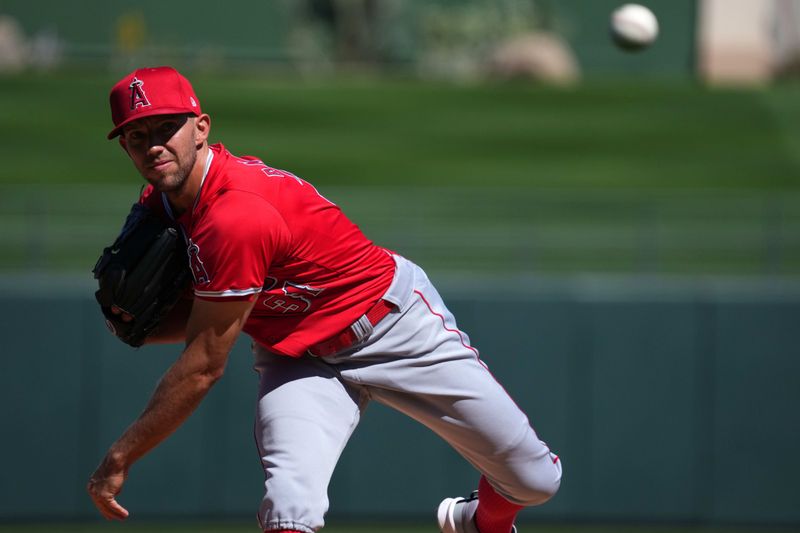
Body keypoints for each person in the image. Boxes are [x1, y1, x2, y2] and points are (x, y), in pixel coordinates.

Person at [87, 65, 562, 533]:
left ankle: (480, 524)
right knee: (290, 510)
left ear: (201, 128)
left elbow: (204, 364)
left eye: (167, 127)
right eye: (136, 135)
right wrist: (139, 327)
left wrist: (120, 456)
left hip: (394, 328)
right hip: (297, 358)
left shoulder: (237, 215)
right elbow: (203, 324)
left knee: (535, 479)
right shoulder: (160, 205)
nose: (153, 145)